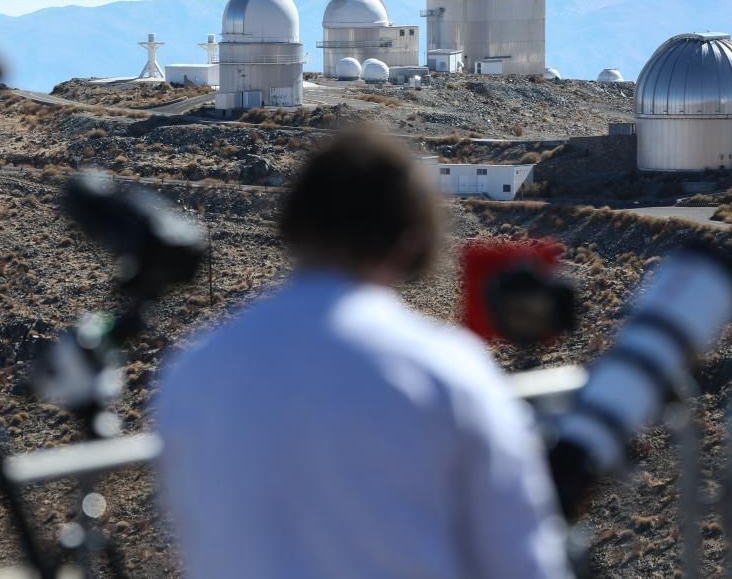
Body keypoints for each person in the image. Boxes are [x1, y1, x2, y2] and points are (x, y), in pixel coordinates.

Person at [156, 130, 571, 578]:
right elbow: (524, 562)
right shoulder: (447, 371)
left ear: (293, 224)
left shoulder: (195, 368)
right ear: (412, 239)